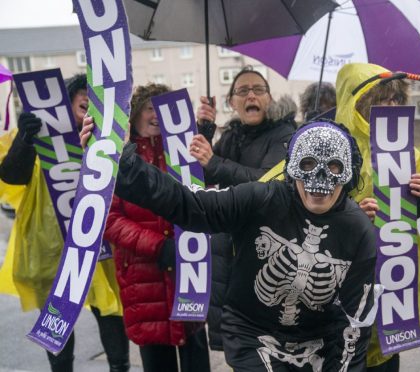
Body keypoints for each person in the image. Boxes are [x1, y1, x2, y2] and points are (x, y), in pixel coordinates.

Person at [81, 118, 378, 371]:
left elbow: (355, 321)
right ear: (292, 168)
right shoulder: (261, 199)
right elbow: (189, 205)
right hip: (253, 332)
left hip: (319, 338)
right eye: (309, 164)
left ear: (349, 173)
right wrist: (122, 162)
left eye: (335, 167)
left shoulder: (358, 230)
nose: (320, 178)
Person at [0, 73, 129, 372]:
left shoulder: (106, 141)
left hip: (98, 249)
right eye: (81, 94)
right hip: (51, 251)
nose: (88, 97)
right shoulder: (44, 140)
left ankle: (120, 367)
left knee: (110, 314)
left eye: (93, 95)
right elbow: (12, 175)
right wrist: (24, 139)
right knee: (57, 329)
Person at [101, 83, 210, 372]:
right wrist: (157, 245)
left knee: (196, 355)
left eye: (164, 108)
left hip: (189, 272)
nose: (157, 115)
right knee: (157, 359)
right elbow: (108, 219)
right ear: (135, 114)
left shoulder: (186, 154)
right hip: (142, 276)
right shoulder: (120, 159)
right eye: (151, 108)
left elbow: (208, 202)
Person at [192, 67, 297, 353]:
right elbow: (203, 178)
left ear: (270, 98)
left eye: (258, 89)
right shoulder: (232, 136)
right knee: (237, 350)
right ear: (231, 103)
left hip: (265, 256)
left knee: (266, 352)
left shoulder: (286, 135)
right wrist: (205, 129)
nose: (251, 95)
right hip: (229, 256)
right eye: (242, 91)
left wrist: (214, 163)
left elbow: (266, 184)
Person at [334, 62, 420, 371]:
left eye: (396, 101)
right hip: (347, 276)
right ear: (360, 103)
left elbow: (416, 214)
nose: (390, 107)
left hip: (394, 275)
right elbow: (316, 212)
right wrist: (354, 215)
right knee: (348, 352)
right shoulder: (338, 150)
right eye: (382, 100)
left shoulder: (410, 154)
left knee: (388, 352)